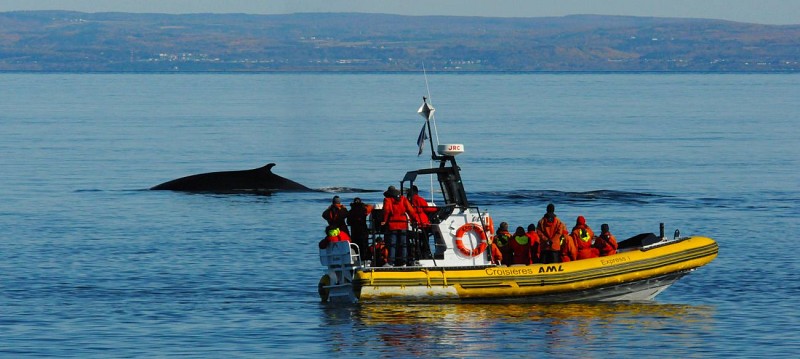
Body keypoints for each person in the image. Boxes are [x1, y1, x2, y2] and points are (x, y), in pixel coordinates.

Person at [381, 186, 418, 266]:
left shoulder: (388, 200)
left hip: (393, 223)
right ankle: (404, 262)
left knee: (392, 244)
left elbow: (386, 210)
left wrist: (384, 220)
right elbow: (410, 210)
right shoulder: (403, 199)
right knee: (404, 244)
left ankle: (391, 262)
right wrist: (413, 219)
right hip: (403, 223)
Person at [409, 185, 437, 260]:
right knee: (425, 240)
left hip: (414, 222)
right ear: (416, 191)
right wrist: (436, 209)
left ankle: (419, 253)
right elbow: (426, 208)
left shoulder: (408, 200)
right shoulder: (419, 199)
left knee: (418, 239)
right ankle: (426, 254)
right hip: (422, 222)